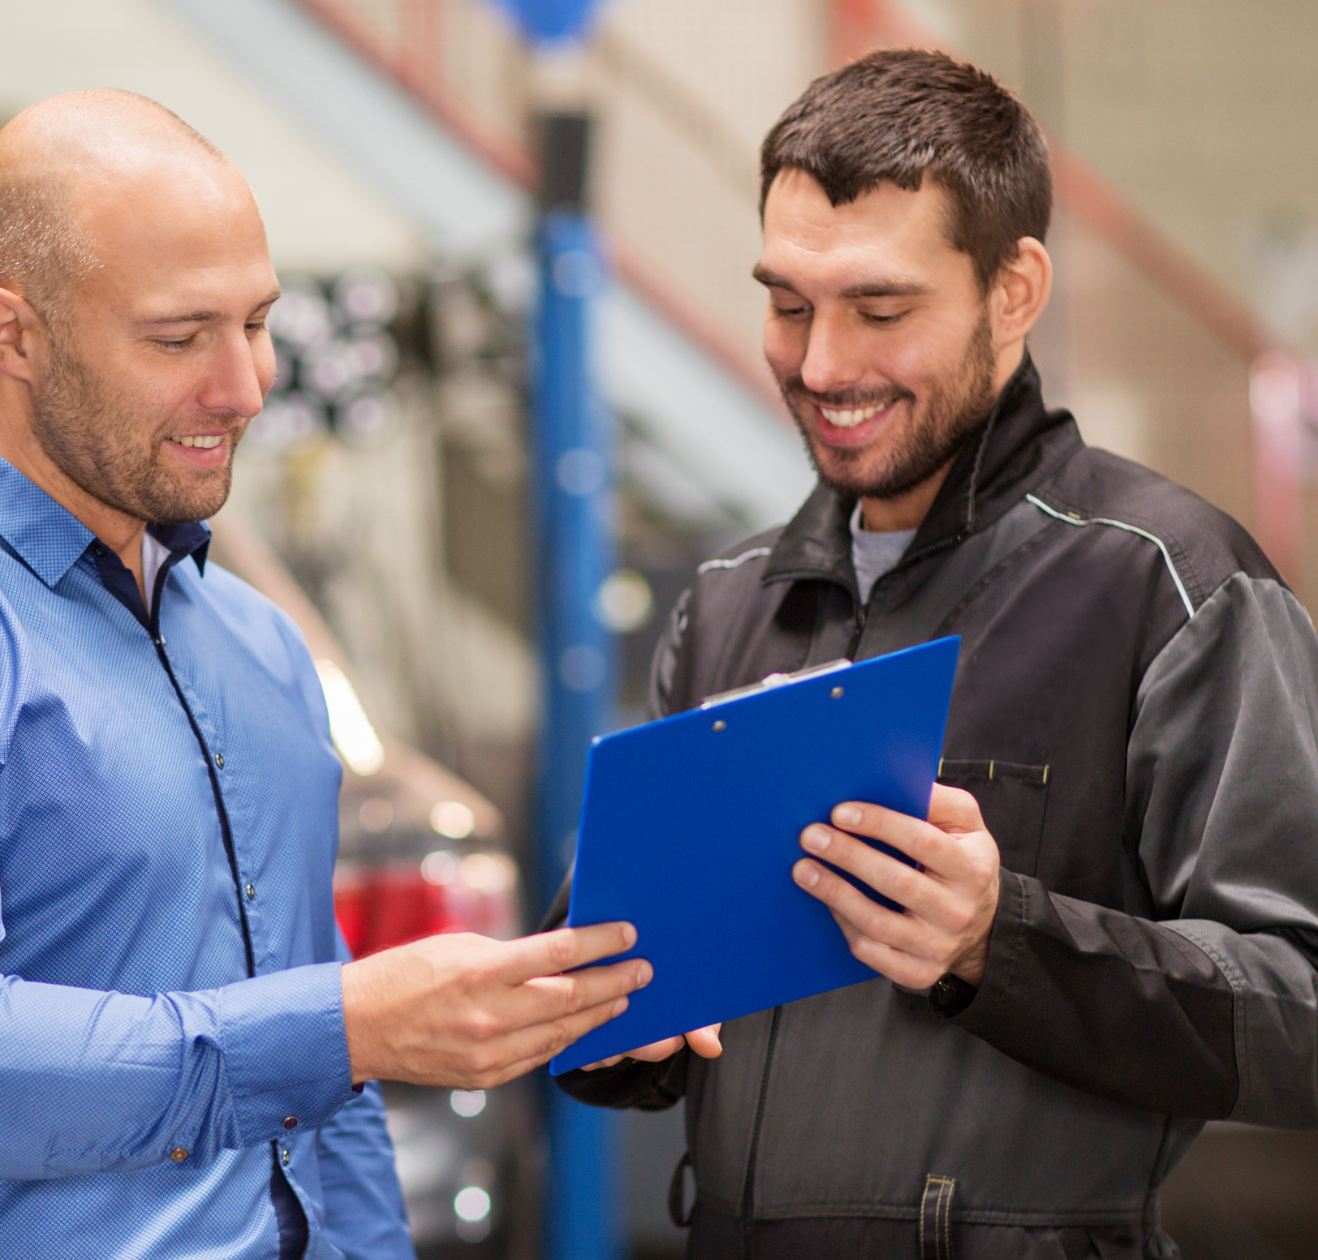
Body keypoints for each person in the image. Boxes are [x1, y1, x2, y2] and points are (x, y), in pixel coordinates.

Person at [0, 90, 652, 1260]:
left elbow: (320, 1111)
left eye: (255, 323)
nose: (243, 387)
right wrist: (340, 1029)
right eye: (176, 335)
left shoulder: (254, 646)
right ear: (12, 334)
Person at [551, 49, 1318, 1259]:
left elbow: (1301, 1011)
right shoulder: (724, 604)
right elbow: (604, 988)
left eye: (879, 309)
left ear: (1013, 292)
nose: (818, 367)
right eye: (788, 303)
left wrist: (992, 941)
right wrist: (604, 1014)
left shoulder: (1167, 583)